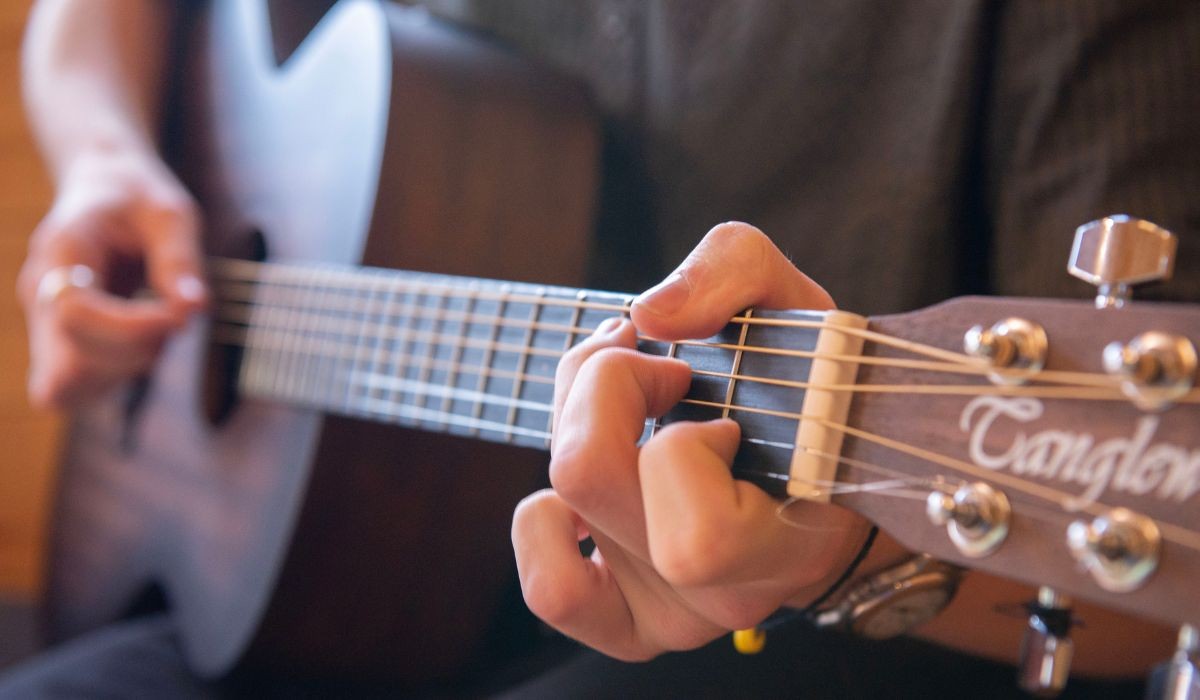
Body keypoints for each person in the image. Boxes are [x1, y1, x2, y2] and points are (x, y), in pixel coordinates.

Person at [5, 0, 1199, 697]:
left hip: (792, 643)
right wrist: (105, 156)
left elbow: (1142, 554)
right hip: (305, 580)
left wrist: (842, 562)